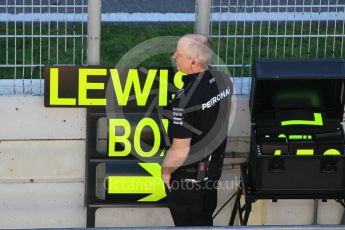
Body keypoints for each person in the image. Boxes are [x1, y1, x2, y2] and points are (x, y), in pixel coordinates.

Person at [161, 34, 232, 226]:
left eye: (179, 53)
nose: (174, 55)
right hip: (211, 172)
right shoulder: (223, 80)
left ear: (193, 61)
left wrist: (166, 171)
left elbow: (180, 151)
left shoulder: (185, 100)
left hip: (188, 181)